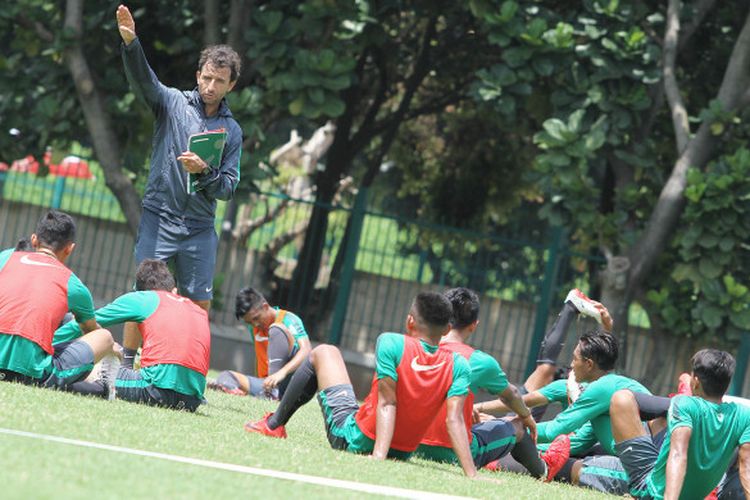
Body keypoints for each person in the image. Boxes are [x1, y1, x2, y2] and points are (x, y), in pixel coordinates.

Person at [245, 292, 479, 477]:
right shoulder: (459, 364)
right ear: (447, 330)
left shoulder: (391, 342)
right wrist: (472, 474)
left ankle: (274, 424)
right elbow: (455, 419)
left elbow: (388, 403)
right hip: (403, 451)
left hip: (355, 440)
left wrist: (378, 455)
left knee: (324, 352)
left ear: (410, 321)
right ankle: (276, 423)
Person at [116, 4, 243, 312]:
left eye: (220, 81)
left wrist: (205, 172)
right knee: (144, 294)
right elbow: (145, 82)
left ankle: (191, 362)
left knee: (199, 302)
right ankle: (128, 360)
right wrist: (132, 45)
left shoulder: (232, 130)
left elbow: (227, 188)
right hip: (159, 215)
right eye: (207, 78)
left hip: (199, 226)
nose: (211, 86)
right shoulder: (172, 104)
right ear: (198, 75)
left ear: (231, 85)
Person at [414, 287, 571, 481]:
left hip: (409, 443)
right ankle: (544, 469)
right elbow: (511, 394)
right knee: (517, 425)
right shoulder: (477, 360)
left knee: (483, 420)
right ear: (474, 325)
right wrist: (526, 416)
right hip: (453, 452)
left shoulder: (414, 348)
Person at [55, 259, 211, 412]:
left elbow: (87, 321)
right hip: (192, 400)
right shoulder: (198, 310)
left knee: (100, 354)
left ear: (139, 290)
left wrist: (49, 342)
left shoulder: (143, 298)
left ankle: (83, 383)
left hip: (156, 390)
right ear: (174, 289)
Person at [0, 211, 116, 392]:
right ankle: (99, 387)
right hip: (30, 373)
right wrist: (115, 349)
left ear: (34, 239)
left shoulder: (6, 258)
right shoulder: (73, 285)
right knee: (104, 337)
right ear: (70, 248)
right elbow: (90, 332)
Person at [610, 349, 750, 499]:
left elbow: (678, 454)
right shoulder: (744, 415)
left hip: (653, 493)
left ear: (695, 382)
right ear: (727, 386)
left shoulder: (684, 403)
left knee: (621, 399)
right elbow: (746, 466)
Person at [208, 287, 310, 399]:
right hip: (266, 384)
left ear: (265, 306)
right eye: (250, 322)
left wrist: (282, 372)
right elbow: (260, 356)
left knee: (276, 329)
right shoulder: (254, 328)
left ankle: (271, 393)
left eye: (256, 318)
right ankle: (236, 390)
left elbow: (306, 349)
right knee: (226, 376)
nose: (255, 324)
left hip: (289, 384)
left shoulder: (288, 319)